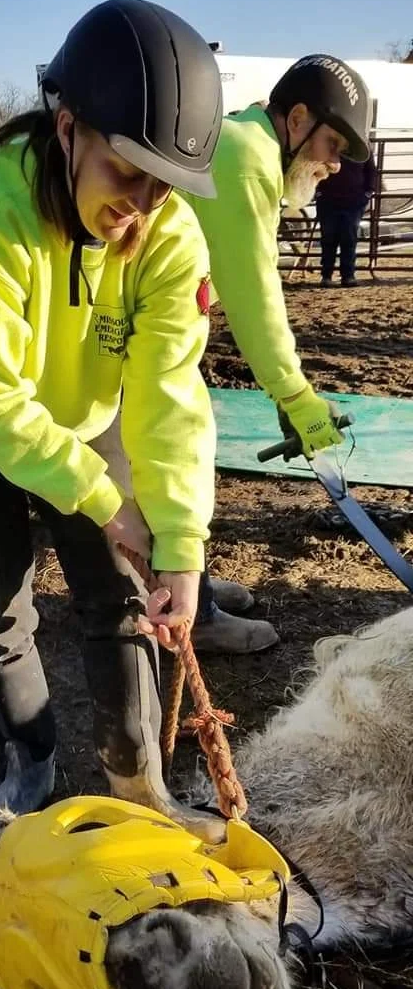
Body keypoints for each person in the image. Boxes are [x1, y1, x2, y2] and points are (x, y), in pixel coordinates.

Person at [0, 0, 223, 820]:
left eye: (164, 187)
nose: (139, 208)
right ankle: (30, 764)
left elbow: (170, 392)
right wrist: (104, 499)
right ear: (67, 125)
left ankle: (135, 779)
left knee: (120, 596)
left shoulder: (168, 239)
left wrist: (179, 541)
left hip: (83, 414)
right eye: (125, 172)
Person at [180, 55, 372, 650]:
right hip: (126, 327)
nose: (333, 165)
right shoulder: (247, 158)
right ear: (296, 119)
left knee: (182, 445)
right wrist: (292, 390)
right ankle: (194, 613)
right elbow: (256, 291)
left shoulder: (242, 139)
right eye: (331, 144)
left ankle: (196, 584)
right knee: (175, 449)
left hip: (157, 320)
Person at [316, 152, 377, 286]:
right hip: (328, 200)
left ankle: (347, 275)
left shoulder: (362, 148)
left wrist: (367, 193)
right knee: (329, 238)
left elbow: (371, 171)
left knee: (348, 238)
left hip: (353, 201)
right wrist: (318, 193)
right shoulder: (329, 144)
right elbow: (313, 168)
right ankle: (327, 275)